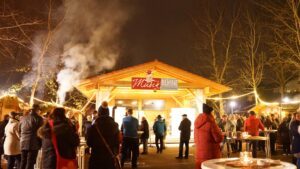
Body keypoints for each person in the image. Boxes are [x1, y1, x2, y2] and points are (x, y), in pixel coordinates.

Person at [86, 101, 120, 169]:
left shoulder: (92, 127)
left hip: (96, 159)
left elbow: (89, 143)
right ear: (108, 113)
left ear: (99, 113)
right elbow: (117, 142)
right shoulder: (115, 126)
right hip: (109, 159)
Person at [194, 104, 223, 169]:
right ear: (210, 113)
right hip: (210, 154)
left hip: (199, 153)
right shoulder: (211, 122)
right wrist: (222, 134)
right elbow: (218, 138)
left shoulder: (197, 123)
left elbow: (196, 138)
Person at [19, 104, 44, 169]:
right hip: (33, 143)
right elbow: (40, 132)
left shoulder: (23, 118)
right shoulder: (39, 118)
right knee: (30, 162)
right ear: (37, 110)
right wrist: (41, 143)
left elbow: (19, 130)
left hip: (23, 141)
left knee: (23, 161)